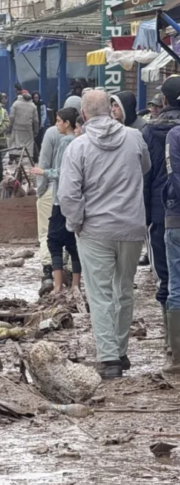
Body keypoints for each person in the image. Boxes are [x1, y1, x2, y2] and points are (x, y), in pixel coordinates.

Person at [58, 90, 151, 379]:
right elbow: (144, 168)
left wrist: (76, 224)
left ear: (83, 115)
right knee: (124, 289)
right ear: (111, 110)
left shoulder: (78, 147)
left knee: (99, 294)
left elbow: (68, 194)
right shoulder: (134, 137)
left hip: (95, 230)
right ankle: (121, 352)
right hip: (132, 227)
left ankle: (109, 357)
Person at [142, 76, 180, 351]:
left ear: (163, 101)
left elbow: (144, 175)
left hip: (161, 213)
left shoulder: (150, 130)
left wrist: (142, 214)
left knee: (165, 277)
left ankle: (172, 344)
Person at [34, 95, 82, 295]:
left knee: (50, 236)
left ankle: (52, 279)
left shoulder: (58, 137)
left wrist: (40, 185)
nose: (56, 124)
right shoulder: (84, 137)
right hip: (78, 196)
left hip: (57, 193)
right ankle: (75, 283)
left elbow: (47, 162)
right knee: (73, 240)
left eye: (58, 120)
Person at [160, 123, 180, 374]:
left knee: (176, 284)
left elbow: (173, 173)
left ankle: (177, 358)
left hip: (176, 217)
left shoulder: (174, 134)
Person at [9, 92, 39, 163]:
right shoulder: (33, 106)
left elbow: (11, 117)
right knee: (28, 144)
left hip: (17, 127)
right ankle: (26, 157)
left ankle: (15, 157)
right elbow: (36, 120)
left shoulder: (15, 104)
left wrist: (9, 126)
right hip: (28, 128)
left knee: (15, 143)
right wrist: (36, 130)